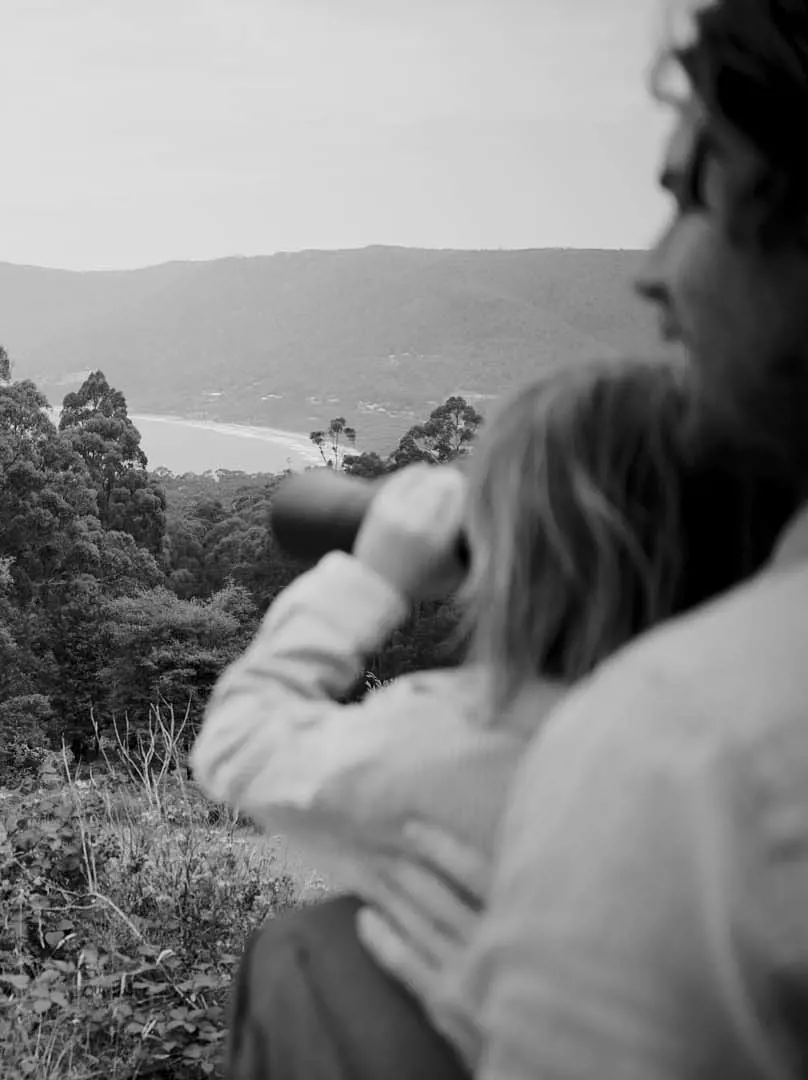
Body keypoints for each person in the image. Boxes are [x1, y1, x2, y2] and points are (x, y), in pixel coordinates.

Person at [269, 2, 808, 1076]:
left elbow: (246, 750)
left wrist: (492, 985)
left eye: (694, 198)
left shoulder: (678, 747)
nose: (651, 273)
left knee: (310, 955)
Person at [190, 355, 790, 1078]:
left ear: (509, 561)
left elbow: (237, 740)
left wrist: (372, 576)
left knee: (312, 947)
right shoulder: (769, 745)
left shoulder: (472, 743)